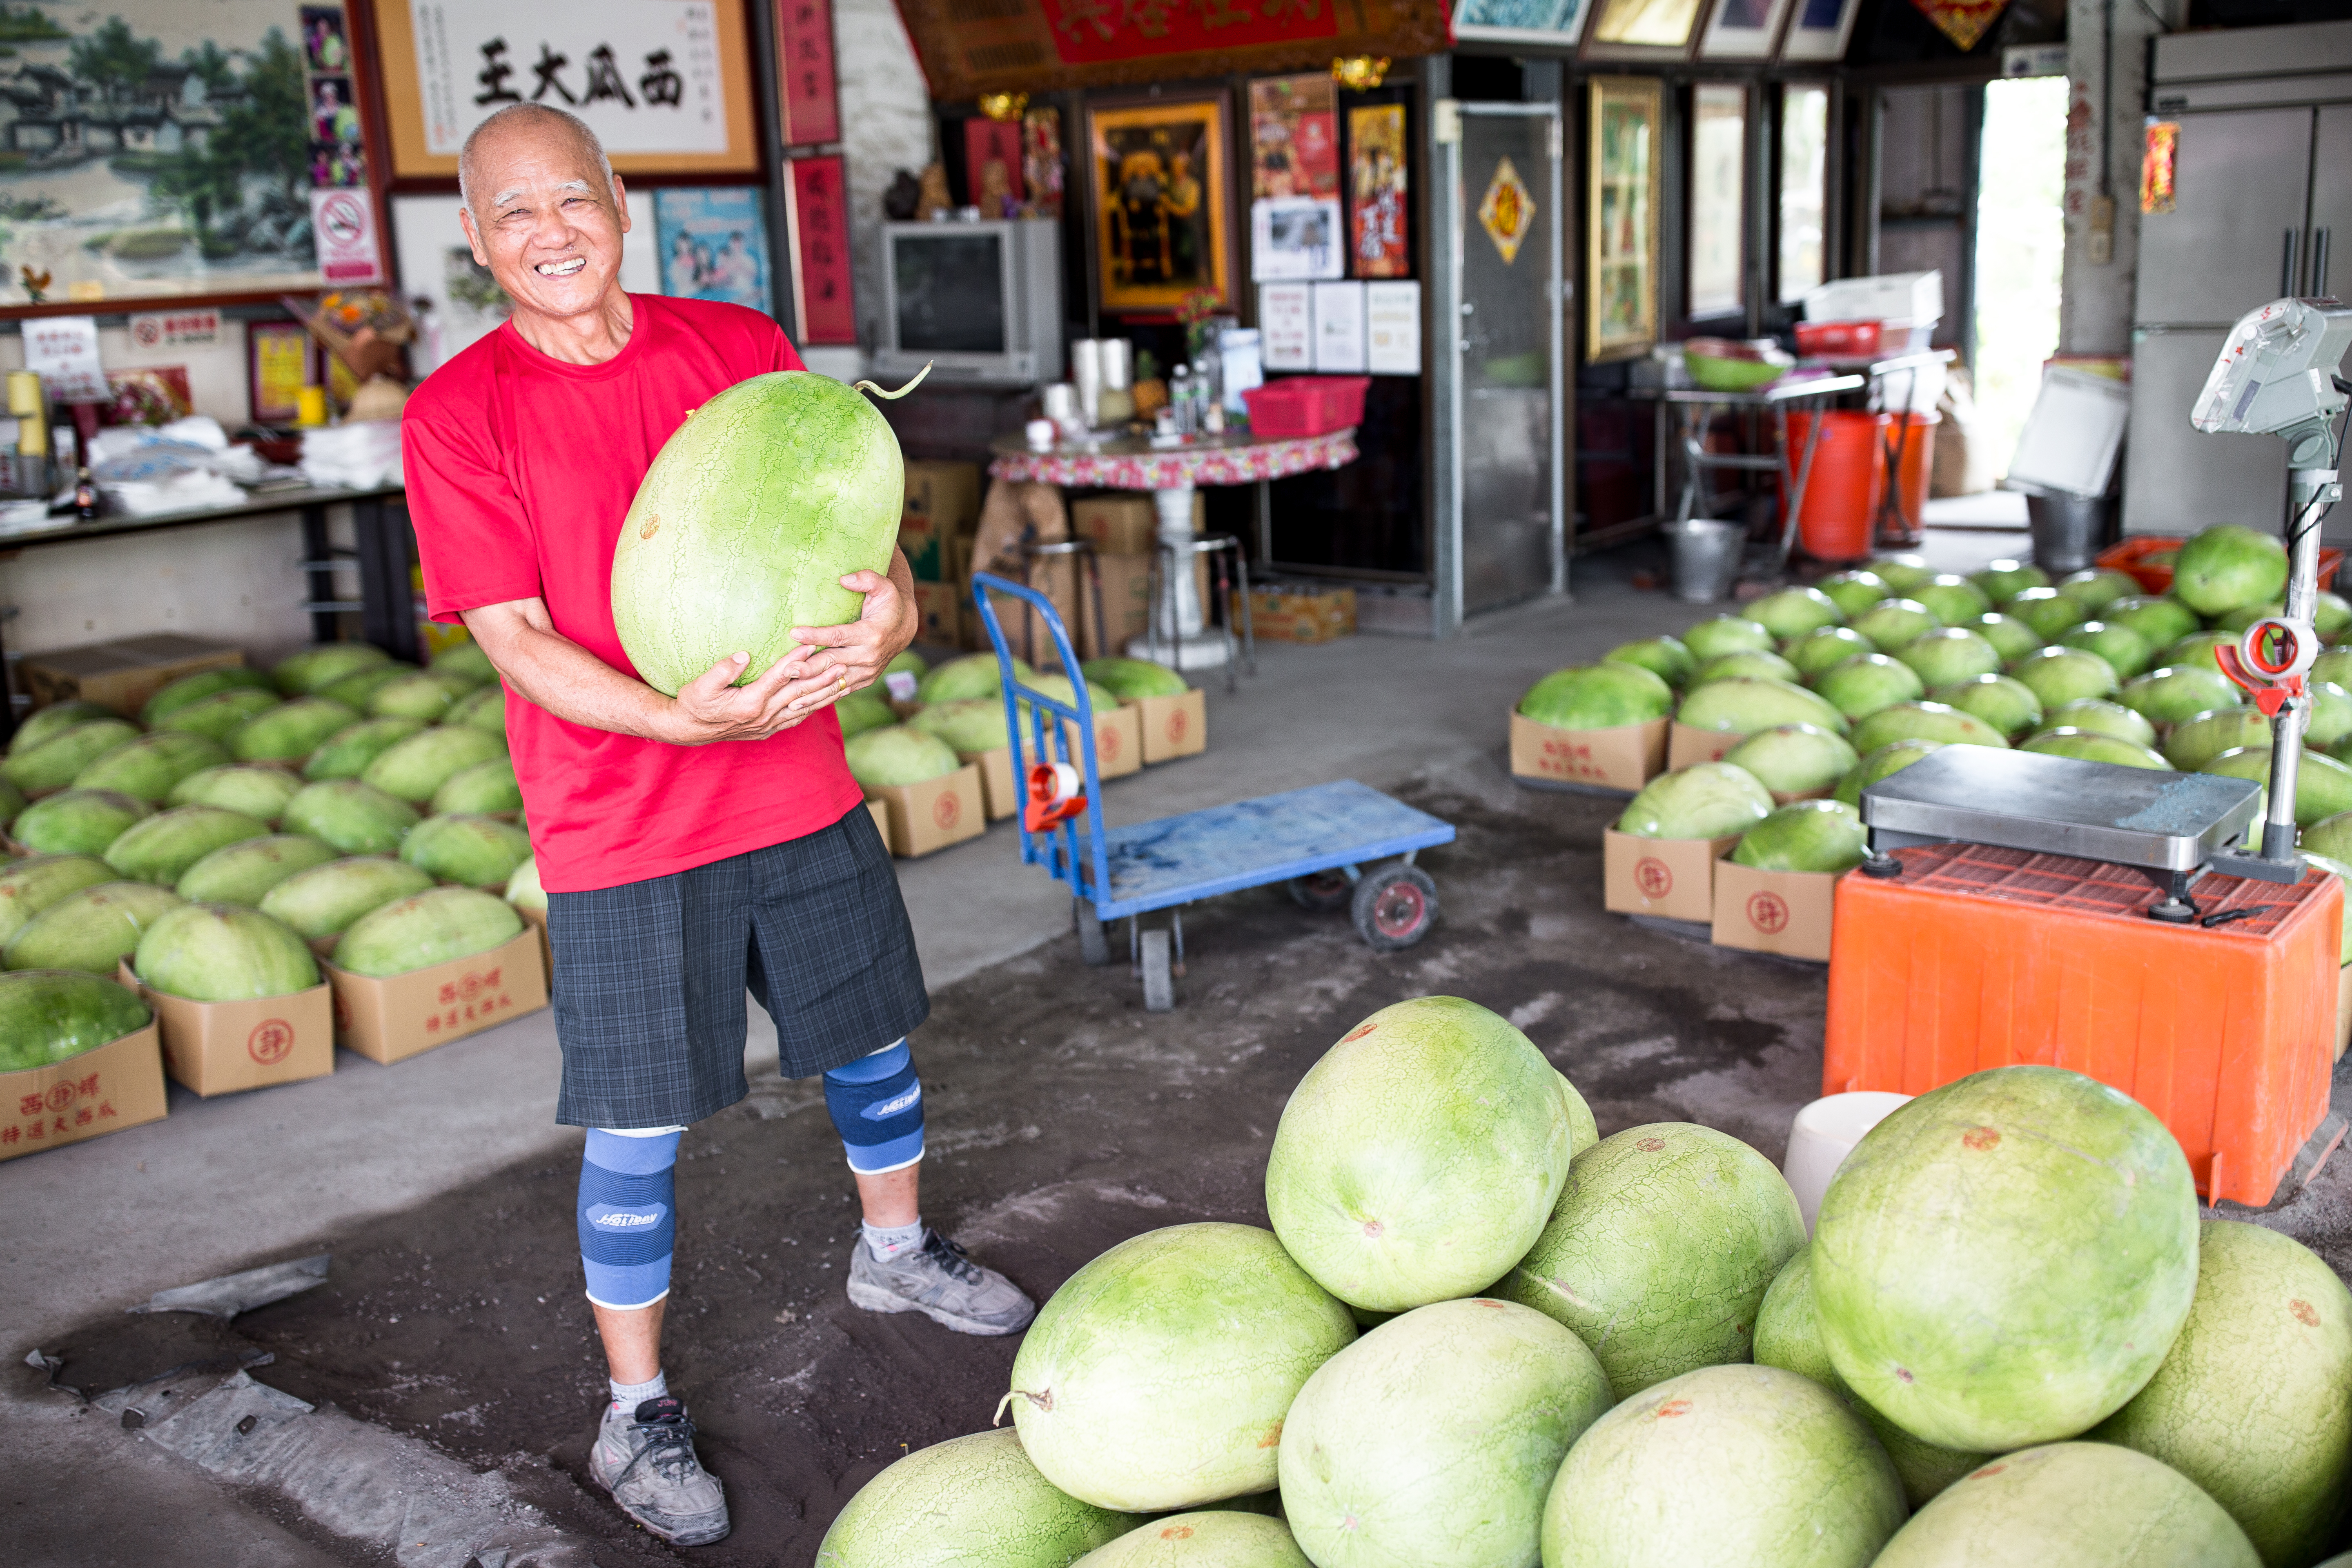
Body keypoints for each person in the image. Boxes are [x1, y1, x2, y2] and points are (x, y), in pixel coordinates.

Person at [399, 102, 1035, 1550]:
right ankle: (637, 1413)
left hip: (796, 783)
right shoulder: (458, 415)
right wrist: (675, 720)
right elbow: (516, 642)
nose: (551, 233)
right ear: (480, 244)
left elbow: (856, 546)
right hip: (617, 815)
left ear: (620, 203)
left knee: (871, 1038)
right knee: (637, 1122)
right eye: (515, 215)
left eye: (573, 200)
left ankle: (895, 1252)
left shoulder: (738, 347)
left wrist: (892, 620)